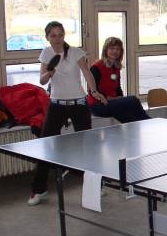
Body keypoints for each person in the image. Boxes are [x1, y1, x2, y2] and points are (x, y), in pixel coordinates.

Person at [28, 21, 107, 206]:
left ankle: (96, 186)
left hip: (78, 104)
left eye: (60, 35)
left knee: (87, 147)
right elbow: (42, 80)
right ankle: (39, 190)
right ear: (47, 37)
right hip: (56, 105)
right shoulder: (46, 53)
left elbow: (87, 73)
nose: (57, 39)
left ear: (64, 36)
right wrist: (49, 73)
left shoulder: (75, 53)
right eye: (53, 35)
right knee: (46, 146)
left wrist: (94, 91)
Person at [88, 37, 150, 123]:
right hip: (98, 105)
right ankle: (149, 122)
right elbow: (93, 91)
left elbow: (117, 88)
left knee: (133, 121)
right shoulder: (96, 67)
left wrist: (120, 99)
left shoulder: (116, 66)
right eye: (112, 48)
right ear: (106, 50)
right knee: (133, 100)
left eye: (118, 49)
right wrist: (115, 99)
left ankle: (146, 123)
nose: (115, 51)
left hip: (112, 103)